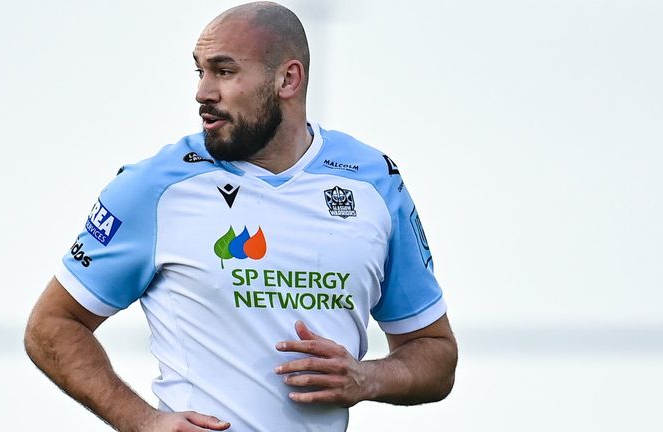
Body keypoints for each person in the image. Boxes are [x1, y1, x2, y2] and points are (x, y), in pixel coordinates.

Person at [24, 2, 458, 431]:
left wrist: (368, 378)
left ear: (288, 79)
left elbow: (434, 352)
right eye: (200, 71)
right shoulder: (154, 186)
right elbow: (51, 326)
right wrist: (141, 421)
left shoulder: (374, 182)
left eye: (224, 71)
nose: (203, 92)